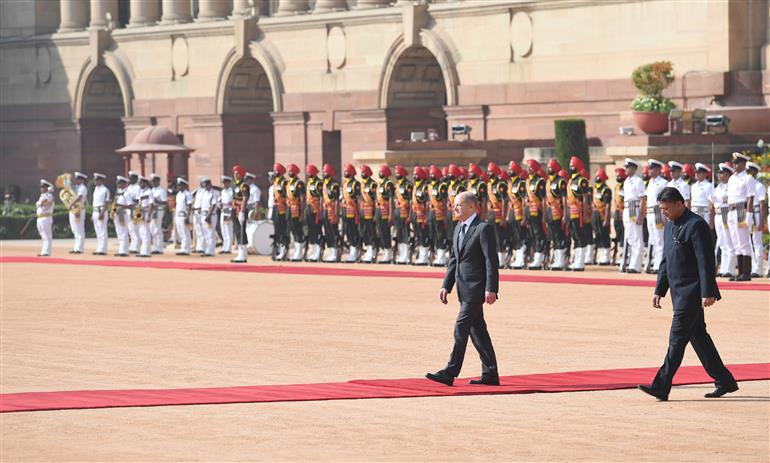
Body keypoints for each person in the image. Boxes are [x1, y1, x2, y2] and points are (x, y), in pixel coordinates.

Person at [638, 187, 738, 401]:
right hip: (678, 293)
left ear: (679, 203)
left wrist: (708, 292)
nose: (664, 212)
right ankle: (725, 381)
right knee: (700, 338)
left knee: (676, 340)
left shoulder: (696, 225)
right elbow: (666, 261)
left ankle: (661, 385)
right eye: (662, 209)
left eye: (666, 208)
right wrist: (659, 289)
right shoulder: (669, 226)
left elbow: (706, 261)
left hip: (693, 293)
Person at [428, 191, 499, 386]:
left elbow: (491, 261)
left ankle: (450, 372)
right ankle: (491, 374)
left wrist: (491, 288)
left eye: (458, 205)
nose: (454, 208)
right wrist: (446, 286)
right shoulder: (459, 228)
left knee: (461, 327)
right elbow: (454, 260)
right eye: (454, 205)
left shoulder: (483, 228)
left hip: (476, 289)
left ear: (471, 207)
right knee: (478, 333)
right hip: (462, 289)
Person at [726, 152, 756, 281]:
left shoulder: (748, 178)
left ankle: (746, 273)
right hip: (731, 210)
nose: (735, 165)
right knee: (736, 243)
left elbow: (750, 198)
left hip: (741, 210)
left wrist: (749, 214)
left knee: (744, 243)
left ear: (744, 164)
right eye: (734, 163)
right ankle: (740, 272)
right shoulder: (732, 178)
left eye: (737, 163)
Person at [712, 163, 737, 278]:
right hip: (718, 215)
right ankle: (724, 268)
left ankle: (730, 269)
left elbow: (729, 199)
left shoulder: (730, 185)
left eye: (721, 173)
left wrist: (718, 198)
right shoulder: (719, 187)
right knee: (722, 243)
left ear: (727, 174)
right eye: (719, 173)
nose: (719, 175)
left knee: (729, 242)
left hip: (725, 214)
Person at [622, 158, 646, 273]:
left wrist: (641, 215)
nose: (626, 169)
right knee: (630, 238)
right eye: (625, 167)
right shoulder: (626, 181)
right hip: (627, 209)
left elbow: (642, 199)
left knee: (637, 238)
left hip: (635, 209)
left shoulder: (638, 181)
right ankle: (632, 263)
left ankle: (636, 265)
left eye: (628, 167)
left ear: (634, 168)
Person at [566, 157, 591, 271]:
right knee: (575, 236)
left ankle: (580, 262)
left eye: (573, 166)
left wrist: (585, 213)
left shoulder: (582, 180)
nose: (571, 168)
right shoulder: (570, 181)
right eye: (570, 166)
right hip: (572, 212)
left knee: (580, 236)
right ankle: (576, 259)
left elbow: (585, 198)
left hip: (580, 213)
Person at [645, 159, 668, 273]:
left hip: (658, 212)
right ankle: (655, 262)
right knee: (653, 240)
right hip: (649, 213)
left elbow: (664, 200)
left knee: (659, 240)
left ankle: (659, 266)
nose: (650, 171)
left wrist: (664, 215)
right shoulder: (650, 182)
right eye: (649, 168)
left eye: (652, 168)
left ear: (658, 170)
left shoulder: (663, 183)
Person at [545, 159, 567, 270]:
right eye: (548, 167)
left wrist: (565, 215)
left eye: (550, 167)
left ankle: (561, 260)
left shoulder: (561, 181)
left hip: (558, 212)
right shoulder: (548, 181)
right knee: (553, 237)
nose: (548, 169)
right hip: (549, 212)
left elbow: (564, 199)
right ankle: (556, 260)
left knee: (559, 236)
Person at [525, 159, 547, 269]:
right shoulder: (528, 181)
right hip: (530, 212)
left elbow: (543, 199)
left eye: (531, 167)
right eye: (528, 167)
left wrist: (544, 216)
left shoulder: (540, 181)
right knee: (532, 234)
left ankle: (539, 257)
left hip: (538, 212)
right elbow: (526, 199)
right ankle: (535, 256)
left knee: (538, 234)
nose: (529, 169)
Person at [506, 161, 528, 269]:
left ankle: (521, 259)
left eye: (511, 170)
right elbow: (510, 201)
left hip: (520, 213)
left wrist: (524, 216)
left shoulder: (521, 183)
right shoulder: (510, 184)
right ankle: (518, 258)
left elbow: (524, 201)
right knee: (515, 236)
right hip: (512, 213)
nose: (509, 171)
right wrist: (507, 215)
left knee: (520, 235)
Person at [746, 162, 766, 278]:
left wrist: (761, 221)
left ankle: (758, 269)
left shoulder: (759, 186)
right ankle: (753, 267)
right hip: (748, 214)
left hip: (757, 214)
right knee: (749, 242)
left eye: (749, 171)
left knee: (757, 242)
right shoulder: (748, 184)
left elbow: (762, 204)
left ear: (753, 172)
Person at [375, 164, 396, 263]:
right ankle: (386, 252)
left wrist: (391, 215)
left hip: (386, 212)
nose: (380, 173)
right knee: (381, 232)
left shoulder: (389, 184)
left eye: (381, 171)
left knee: (386, 233)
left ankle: (388, 253)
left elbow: (391, 200)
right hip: (379, 211)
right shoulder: (379, 184)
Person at [286, 163, 306, 261]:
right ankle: (296, 251)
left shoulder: (299, 183)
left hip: (297, 209)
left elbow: (302, 199)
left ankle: (299, 253)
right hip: (289, 209)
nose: (289, 173)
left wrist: (302, 213)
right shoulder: (289, 183)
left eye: (291, 171)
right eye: (288, 171)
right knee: (292, 229)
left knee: (298, 230)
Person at [592, 168, 612, 265]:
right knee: (598, 234)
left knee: (604, 234)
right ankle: (601, 254)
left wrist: (607, 219)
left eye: (598, 176)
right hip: (595, 214)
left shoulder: (606, 189)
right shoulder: (595, 188)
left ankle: (607, 255)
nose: (596, 177)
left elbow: (608, 205)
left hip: (602, 215)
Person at [322, 164, 342, 262]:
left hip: (332, 211)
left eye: (325, 172)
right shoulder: (325, 184)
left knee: (333, 232)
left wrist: (336, 214)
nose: (324, 173)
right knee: (327, 232)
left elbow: (337, 201)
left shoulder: (334, 185)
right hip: (325, 211)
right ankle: (330, 252)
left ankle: (335, 252)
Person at [393, 165, 413, 264]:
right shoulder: (396, 185)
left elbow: (411, 201)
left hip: (405, 213)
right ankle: (401, 255)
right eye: (396, 173)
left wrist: (410, 215)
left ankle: (406, 255)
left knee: (405, 234)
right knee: (399, 234)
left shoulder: (408, 185)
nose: (396, 175)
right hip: (397, 213)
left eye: (398, 173)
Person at [231, 166, 251, 263]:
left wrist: (242, 212)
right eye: (234, 173)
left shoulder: (244, 186)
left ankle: (243, 254)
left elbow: (245, 199)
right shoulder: (234, 185)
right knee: (237, 231)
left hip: (240, 210)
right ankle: (239, 253)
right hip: (234, 210)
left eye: (237, 173)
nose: (235, 175)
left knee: (241, 231)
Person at [358, 165, 378, 263]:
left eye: (363, 172)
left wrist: (375, 214)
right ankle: (368, 250)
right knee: (363, 231)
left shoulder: (373, 184)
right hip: (362, 212)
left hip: (370, 212)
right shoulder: (362, 184)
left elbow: (376, 199)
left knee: (371, 232)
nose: (362, 174)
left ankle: (373, 251)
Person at [305, 164, 324, 262]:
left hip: (316, 210)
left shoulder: (318, 183)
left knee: (317, 230)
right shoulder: (309, 182)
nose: (307, 173)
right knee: (311, 230)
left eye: (309, 172)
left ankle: (318, 252)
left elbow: (321, 197)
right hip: (309, 208)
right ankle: (313, 251)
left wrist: (320, 211)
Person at [68, 171, 88, 254]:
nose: (75, 180)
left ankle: (80, 249)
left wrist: (71, 203)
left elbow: (79, 197)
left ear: (81, 180)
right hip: (73, 209)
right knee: (75, 229)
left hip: (79, 209)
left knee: (79, 229)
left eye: (77, 179)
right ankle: (76, 248)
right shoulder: (76, 187)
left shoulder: (83, 188)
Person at [91, 173, 110, 255]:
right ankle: (99, 248)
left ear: (101, 180)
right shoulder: (96, 189)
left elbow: (106, 202)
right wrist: (93, 213)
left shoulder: (105, 190)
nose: (95, 181)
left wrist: (102, 213)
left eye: (96, 180)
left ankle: (103, 249)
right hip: (95, 211)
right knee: (98, 231)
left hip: (101, 211)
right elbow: (94, 202)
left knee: (102, 231)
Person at [199, 177, 219, 257]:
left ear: (210, 184)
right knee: (205, 233)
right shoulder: (204, 193)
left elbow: (213, 205)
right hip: (203, 214)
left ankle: (211, 251)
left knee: (210, 233)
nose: (206, 186)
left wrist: (208, 216)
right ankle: (207, 249)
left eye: (207, 185)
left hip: (211, 215)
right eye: (204, 185)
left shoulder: (213, 193)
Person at [112, 176, 131, 257]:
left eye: (119, 183)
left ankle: (124, 251)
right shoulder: (118, 193)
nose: (118, 185)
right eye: (118, 183)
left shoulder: (127, 193)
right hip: (117, 213)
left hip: (123, 214)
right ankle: (121, 250)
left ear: (124, 184)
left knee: (123, 232)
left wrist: (119, 205)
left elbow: (130, 205)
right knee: (119, 233)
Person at [174, 177, 193, 256]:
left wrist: (187, 216)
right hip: (178, 215)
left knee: (185, 232)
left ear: (184, 186)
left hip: (183, 215)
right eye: (178, 185)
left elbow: (189, 205)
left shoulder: (187, 194)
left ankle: (186, 249)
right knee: (180, 232)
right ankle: (183, 248)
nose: (179, 187)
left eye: (180, 185)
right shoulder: (178, 194)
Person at [150, 174, 168, 255]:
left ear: (158, 181)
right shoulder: (152, 190)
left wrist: (156, 201)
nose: (153, 182)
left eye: (154, 181)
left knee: (157, 229)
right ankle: (155, 247)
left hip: (159, 210)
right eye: (152, 181)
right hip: (152, 211)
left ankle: (159, 248)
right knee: (152, 229)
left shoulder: (161, 191)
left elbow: (165, 202)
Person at [35, 179, 54, 256]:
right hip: (40, 218)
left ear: (47, 188)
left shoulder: (49, 196)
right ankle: (44, 251)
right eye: (41, 187)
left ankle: (47, 252)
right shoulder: (42, 196)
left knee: (47, 236)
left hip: (46, 218)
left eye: (43, 187)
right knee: (43, 236)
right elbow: (39, 204)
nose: (41, 188)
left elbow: (44, 205)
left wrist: (39, 203)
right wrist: (39, 203)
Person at [612, 167, 626, 265]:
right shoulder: (616, 187)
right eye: (617, 175)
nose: (618, 177)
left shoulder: (626, 186)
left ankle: (625, 254)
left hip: (624, 211)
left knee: (624, 233)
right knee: (618, 232)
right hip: (617, 212)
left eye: (619, 175)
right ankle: (620, 253)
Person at [125, 171, 141, 253]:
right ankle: (132, 246)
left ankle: (137, 247)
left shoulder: (138, 187)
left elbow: (139, 199)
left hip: (135, 209)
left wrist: (131, 199)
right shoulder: (128, 187)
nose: (129, 179)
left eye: (131, 178)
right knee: (130, 229)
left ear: (135, 179)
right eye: (129, 178)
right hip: (128, 209)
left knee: (136, 228)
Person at [219, 175, 234, 254]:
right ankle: (225, 247)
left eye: (225, 182)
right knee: (223, 230)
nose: (224, 184)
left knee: (228, 230)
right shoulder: (222, 192)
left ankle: (228, 248)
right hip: (223, 211)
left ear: (228, 183)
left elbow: (233, 202)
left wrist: (232, 213)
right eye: (223, 182)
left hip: (229, 211)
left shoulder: (232, 191)